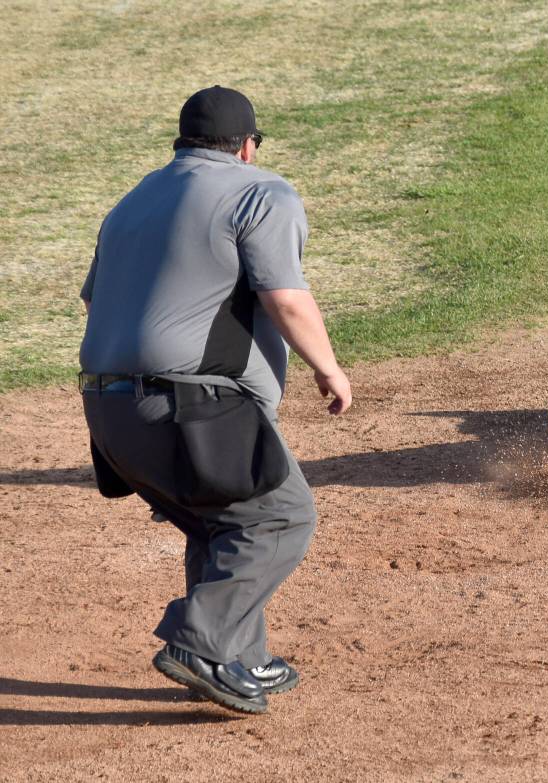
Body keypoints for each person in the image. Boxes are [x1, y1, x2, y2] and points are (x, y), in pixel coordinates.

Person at [79, 86, 352, 715]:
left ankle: (240, 654)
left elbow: (95, 304)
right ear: (248, 145)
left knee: (219, 520)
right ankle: (201, 643)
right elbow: (284, 297)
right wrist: (329, 369)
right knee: (280, 517)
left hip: (108, 412)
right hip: (189, 405)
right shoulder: (261, 191)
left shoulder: (130, 203)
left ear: (182, 142)